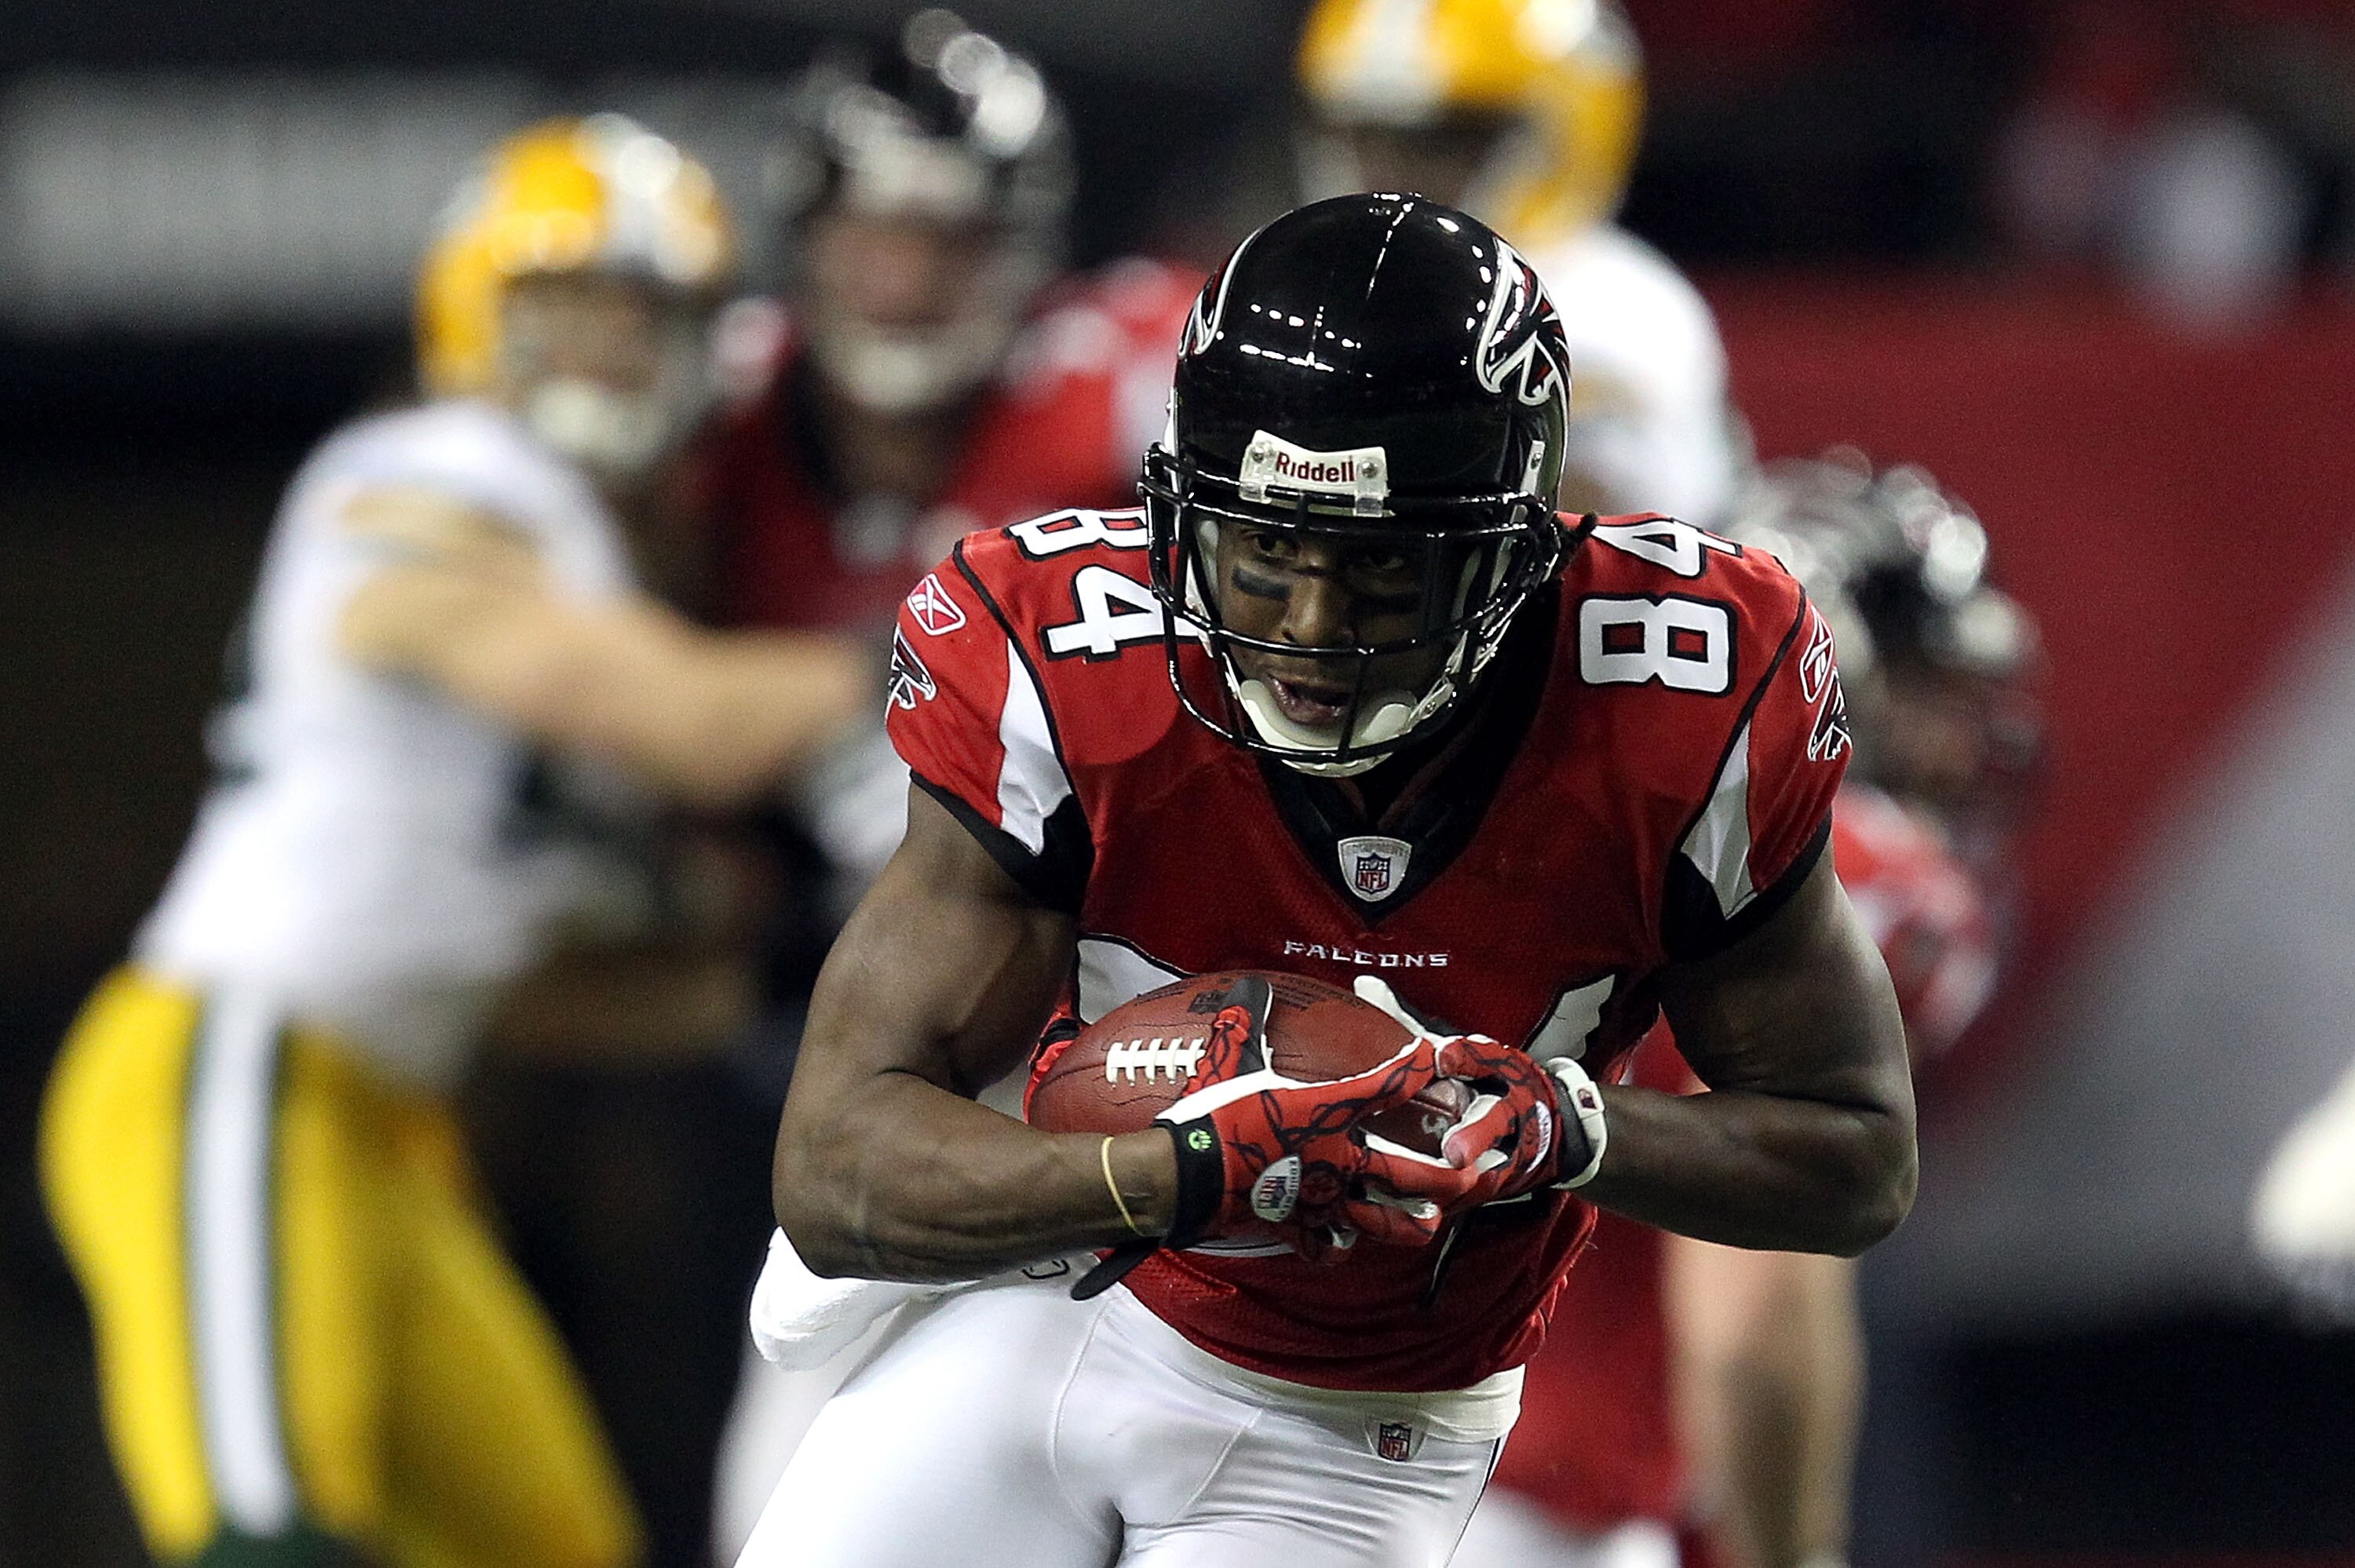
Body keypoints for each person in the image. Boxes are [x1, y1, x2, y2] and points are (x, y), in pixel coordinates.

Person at [733, 194, 1915, 1568]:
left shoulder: (1676, 699)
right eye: (1268, 552)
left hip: (1350, 1430)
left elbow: (1855, 1153)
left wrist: (1560, 1123)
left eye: (1377, 574)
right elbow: (834, 1160)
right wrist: (1187, 1168)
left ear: (1511, 545)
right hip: (1052, 1302)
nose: (1306, 629)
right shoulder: (1069, 661)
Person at [37, 115, 867, 1568]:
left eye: (643, 318)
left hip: (390, 1127)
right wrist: (956, 649)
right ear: (476, 320)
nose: (610, 353)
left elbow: (523, 982)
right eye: (571, 312)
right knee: (271, 1534)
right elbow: (669, 712)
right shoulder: (436, 472)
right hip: (230, 1063)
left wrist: (762, 971)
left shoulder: (587, 566)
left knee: (552, 1543)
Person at [693, 20, 1197, 1552]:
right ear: (809, 239)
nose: (911, 280)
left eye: (954, 238)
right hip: (851, 1042)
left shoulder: (1122, 374)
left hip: (1141, 1001)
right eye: (879, 234)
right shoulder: (720, 415)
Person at [1457, 453, 2039, 1568]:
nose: (1966, 748)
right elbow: (1751, 1316)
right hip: (1537, 1508)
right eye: (1927, 696)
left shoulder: (1576, 819)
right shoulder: (1862, 879)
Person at [1295, 0, 1743, 525]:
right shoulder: (1307, 281)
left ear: (1562, 136)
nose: (1387, 171)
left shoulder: (1619, 308)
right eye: (1362, 137)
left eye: (1438, 141)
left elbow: (1611, 526)